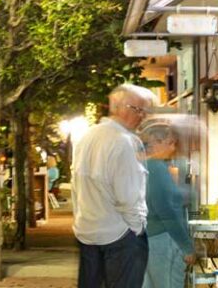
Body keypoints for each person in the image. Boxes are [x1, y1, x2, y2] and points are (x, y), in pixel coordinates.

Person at [72, 84, 157, 288]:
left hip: (88, 232)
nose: (143, 117)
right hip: (120, 235)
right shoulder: (124, 142)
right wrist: (137, 228)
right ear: (123, 108)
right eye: (140, 110)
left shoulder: (86, 137)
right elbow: (128, 195)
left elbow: (77, 184)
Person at [140, 120, 196, 288]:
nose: (173, 148)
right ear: (156, 143)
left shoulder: (142, 166)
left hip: (146, 238)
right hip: (163, 240)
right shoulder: (156, 168)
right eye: (170, 143)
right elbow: (167, 211)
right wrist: (186, 246)